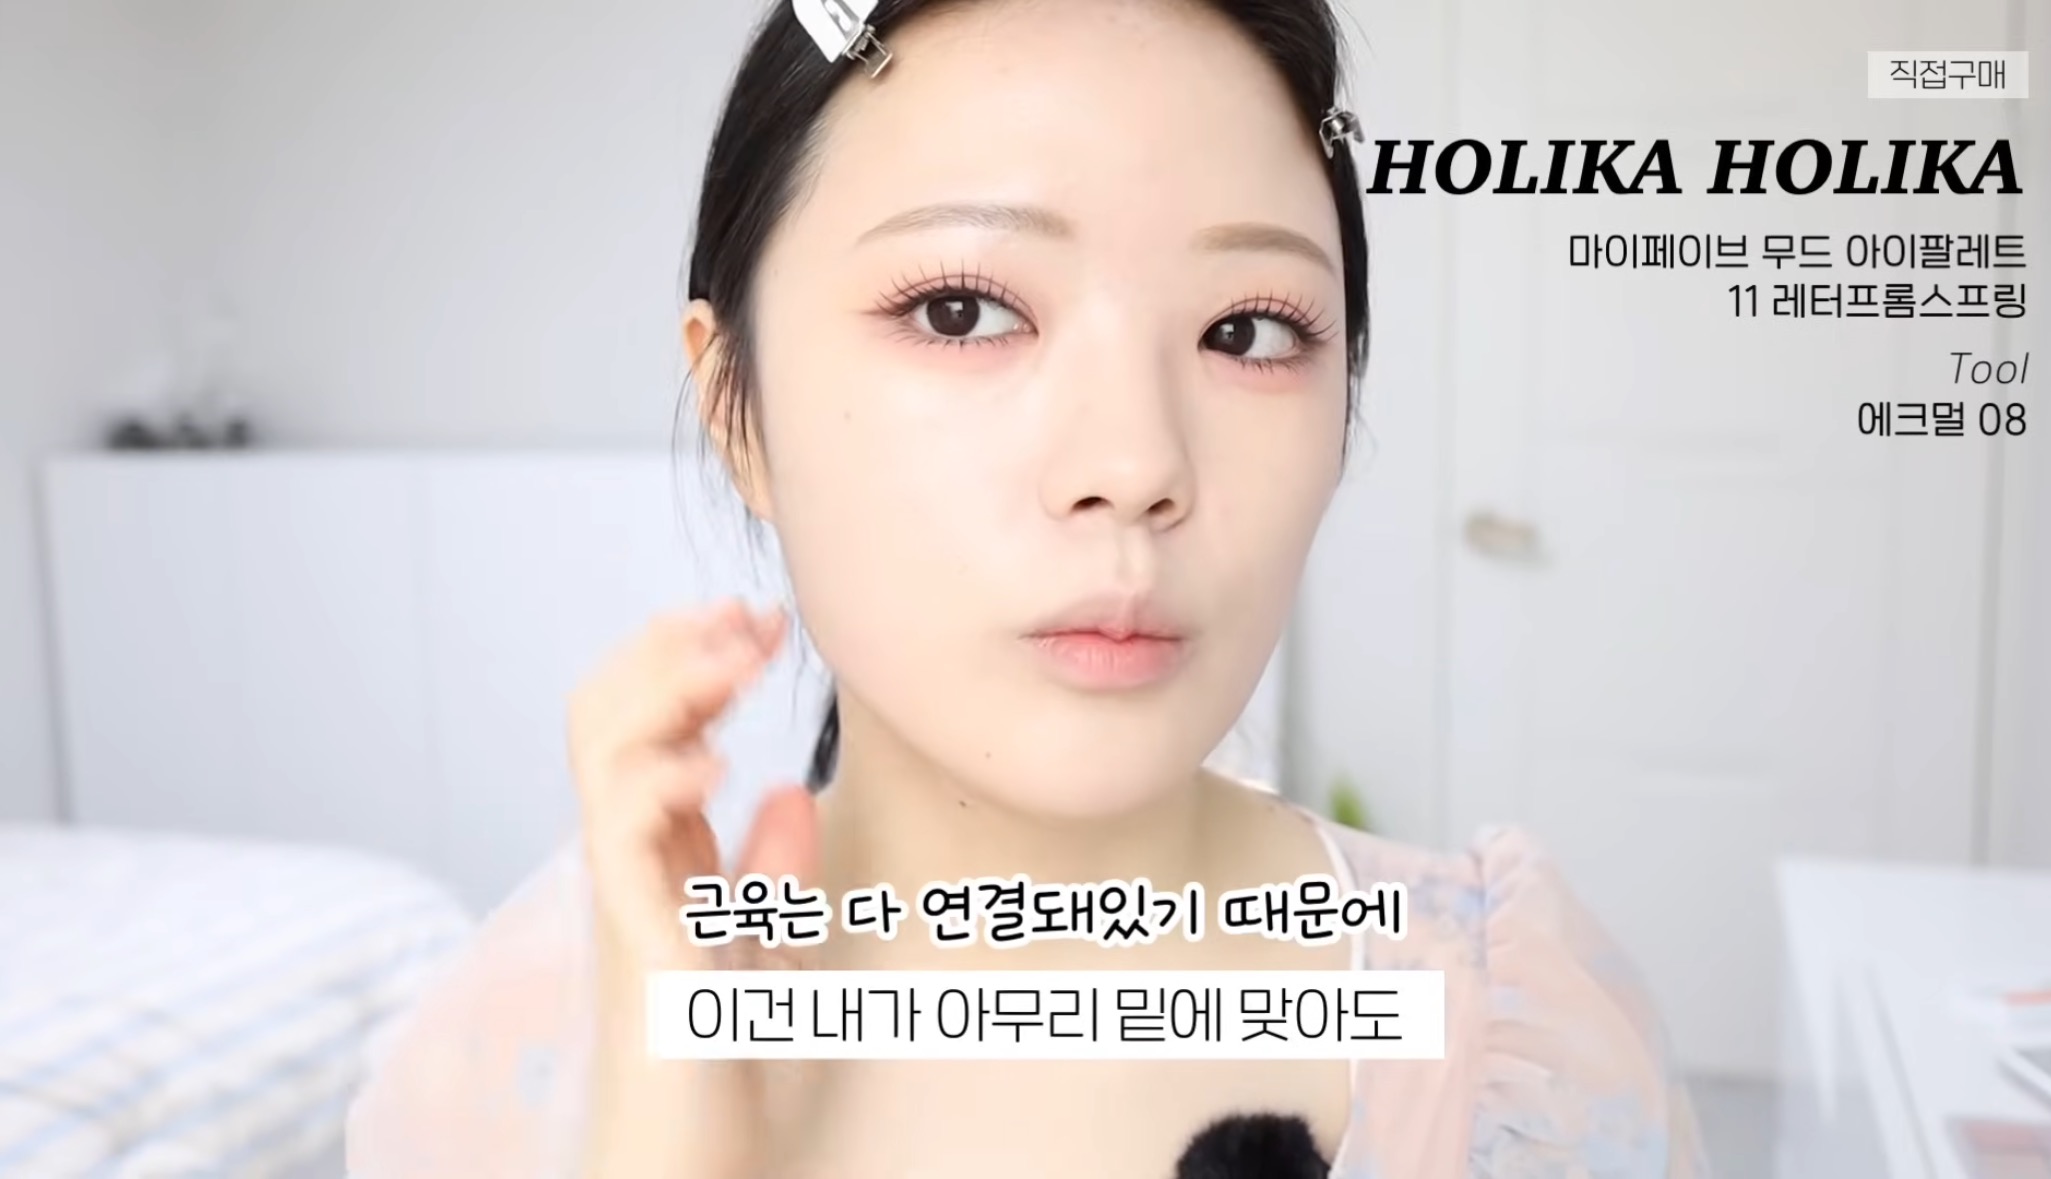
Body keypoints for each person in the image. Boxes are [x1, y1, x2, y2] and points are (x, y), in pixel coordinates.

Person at [343, 1, 1711, 1176]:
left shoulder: (1523, 1044)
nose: (1135, 464)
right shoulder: (510, 1055)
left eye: (1247, 329)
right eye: (963, 310)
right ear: (736, 410)